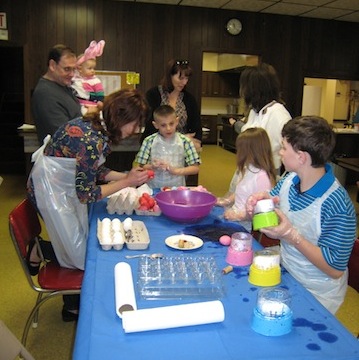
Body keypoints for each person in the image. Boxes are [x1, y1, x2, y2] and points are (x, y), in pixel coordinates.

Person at [26, 88, 150, 321]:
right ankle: (41, 252)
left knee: (79, 241)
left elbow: (95, 170)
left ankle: (70, 303)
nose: (135, 130)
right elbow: (87, 194)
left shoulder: (97, 127)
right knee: (79, 255)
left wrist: (126, 176)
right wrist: (126, 181)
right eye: (134, 124)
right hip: (50, 190)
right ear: (121, 118)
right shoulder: (91, 140)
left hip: (63, 184)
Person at [246, 116, 357, 314]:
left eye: (283, 147)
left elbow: (334, 269)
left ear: (301, 157)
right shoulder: (290, 179)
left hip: (317, 291)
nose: (279, 152)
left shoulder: (337, 205)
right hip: (289, 272)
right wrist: (259, 204)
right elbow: (273, 211)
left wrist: (292, 236)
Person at [217, 127, 277, 232]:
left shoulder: (262, 177)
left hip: (246, 228)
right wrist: (226, 201)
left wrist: (239, 216)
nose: (238, 152)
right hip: (234, 218)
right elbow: (242, 192)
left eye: (241, 149)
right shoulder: (246, 168)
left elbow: (262, 212)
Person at [240, 63, 292, 173]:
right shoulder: (255, 111)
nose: (242, 92)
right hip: (248, 169)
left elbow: (290, 151)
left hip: (267, 173)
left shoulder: (278, 114)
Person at [142, 59, 202, 152]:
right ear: (170, 76)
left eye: (186, 78)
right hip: (157, 150)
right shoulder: (153, 95)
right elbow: (150, 127)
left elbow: (196, 130)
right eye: (180, 78)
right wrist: (179, 139)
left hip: (181, 151)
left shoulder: (189, 99)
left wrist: (195, 142)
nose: (184, 82)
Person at [135, 105, 200, 188]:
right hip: (154, 188)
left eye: (171, 124)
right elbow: (141, 166)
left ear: (177, 121)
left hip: (177, 188)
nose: (168, 128)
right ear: (155, 125)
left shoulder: (185, 142)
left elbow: (195, 168)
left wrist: (176, 171)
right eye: (163, 125)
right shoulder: (149, 141)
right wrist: (152, 166)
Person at [72, 40, 106, 115]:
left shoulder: (95, 80)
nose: (93, 71)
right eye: (89, 68)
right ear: (80, 68)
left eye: (94, 68)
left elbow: (100, 92)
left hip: (92, 105)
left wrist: (100, 101)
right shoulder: (75, 79)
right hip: (78, 105)